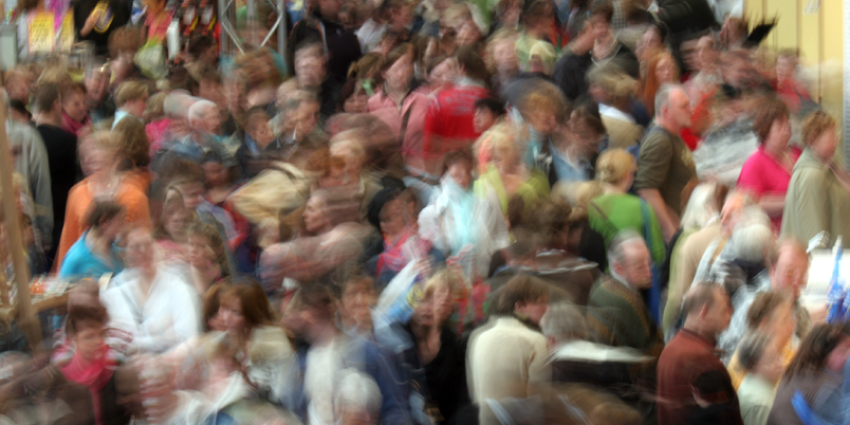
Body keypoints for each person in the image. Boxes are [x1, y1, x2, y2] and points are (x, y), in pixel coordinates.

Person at [55, 132, 151, 270]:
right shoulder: (77, 193)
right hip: (86, 275)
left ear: (114, 157)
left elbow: (145, 239)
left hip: (124, 271)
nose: (90, 159)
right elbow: (68, 241)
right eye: (87, 156)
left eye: (98, 152)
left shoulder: (136, 196)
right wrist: (62, 282)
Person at [467, 274, 551, 425]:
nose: (548, 309)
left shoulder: (479, 337)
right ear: (519, 307)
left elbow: (476, 396)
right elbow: (540, 404)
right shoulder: (536, 341)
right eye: (541, 303)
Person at [101, 227, 200, 354]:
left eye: (148, 245)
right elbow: (113, 340)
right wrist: (164, 337)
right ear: (124, 254)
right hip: (126, 367)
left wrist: (136, 343)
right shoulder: (113, 292)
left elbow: (187, 334)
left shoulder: (176, 286)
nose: (143, 251)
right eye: (136, 247)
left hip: (168, 363)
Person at [656, 282, 742, 425]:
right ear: (704, 313)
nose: (731, 312)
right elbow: (722, 419)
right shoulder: (703, 361)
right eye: (725, 308)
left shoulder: (671, 347)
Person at [718, 240, 812, 370]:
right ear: (772, 269)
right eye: (790, 273)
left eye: (803, 274)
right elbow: (732, 360)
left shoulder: (794, 304)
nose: (797, 281)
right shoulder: (753, 307)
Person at [418, 150, 510, 279]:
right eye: (456, 175)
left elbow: (500, 230)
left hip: (485, 268)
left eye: (467, 173)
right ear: (446, 175)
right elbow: (430, 237)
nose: (463, 180)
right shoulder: (439, 202)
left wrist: (504, 257)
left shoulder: (486, 193)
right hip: (452, 274)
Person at [404, 269, 471, 424]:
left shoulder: (452, 344)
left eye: (450, 295)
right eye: (439, 293)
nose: (445, 299)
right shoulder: (401, 339)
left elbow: (458, 400)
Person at [635, 84, 697, 242]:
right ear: (666, 111)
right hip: (672, 234)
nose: (691, 109)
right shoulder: (660, 140)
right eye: (684, 106)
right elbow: (647, 189)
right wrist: (670, 230)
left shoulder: (672, 134)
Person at [586, 231, 664, 355]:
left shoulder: (601, 283)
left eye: (649, 263)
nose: (649, 272)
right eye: (639, 267)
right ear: (618, 268)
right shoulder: (628, 302)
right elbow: (651, 352)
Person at [781, 110, 850, 245]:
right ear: (813, 139)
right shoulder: (811, 176)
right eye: (831, 138)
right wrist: (822, 263)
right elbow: (814, 232)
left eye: (836, 137)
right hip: (824, 261)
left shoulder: (828, 165)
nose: (835, 143)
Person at [218, 281, 294, 401]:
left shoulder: (273, 346)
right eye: (225, 310)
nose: (226, 318)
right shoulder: (234, 338)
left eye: (236, 313)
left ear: (251, 314)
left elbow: (282, 396)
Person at [588, 149, 666, 267]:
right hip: (634, 277)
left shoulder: (589, 206)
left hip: (600, 277)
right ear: (626, 176)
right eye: (633, 173)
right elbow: (657, 252)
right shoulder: (641, 206)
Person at [423, 46, 491, 173]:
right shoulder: (491, 99)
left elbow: (429, 144)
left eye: (451, 67)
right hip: (483, 170)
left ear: (462, 68)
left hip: (449, 171)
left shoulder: (438, 101)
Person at [766, 324, 850, 425]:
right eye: (842, 351)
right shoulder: (826, 386)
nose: (847, 357)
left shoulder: (796, 372)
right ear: (824, 353)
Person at [55, 307, 127, 425]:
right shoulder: (64, 379)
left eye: (101, 335)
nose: (99, 341)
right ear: (73, 339)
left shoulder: (115, 368)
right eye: (89, 337)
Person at [737, 99, 798, 231]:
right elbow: (751, 205)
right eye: (780, 127)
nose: (786, 131)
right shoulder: (754, 164)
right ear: (766, 130)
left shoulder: (796, 154)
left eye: (788, 126)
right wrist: (792, 201)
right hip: (774, 234)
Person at [367, 43, 430, 171]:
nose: (401, 73)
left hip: (420, 167)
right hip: (389, 168)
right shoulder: (373, 103)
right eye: (396, 69)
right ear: (385, 73)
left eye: (405, 67)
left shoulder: (423, 99)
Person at [34, 83, 78, 258]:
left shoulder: (29, 138)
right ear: (55, 105)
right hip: (61, 213)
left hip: (36, 213)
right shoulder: (68, 141)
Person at [725, 292, 797, 390]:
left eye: (791, 318)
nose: (791, 326)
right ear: (764, 324)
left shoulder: (787, 348)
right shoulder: (746, 365)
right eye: (785, 321)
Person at [288, 0, 363, 85]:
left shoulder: (344, 28)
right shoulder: (308, 27)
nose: (340, 2)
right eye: (336, 0)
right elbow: (292, 61)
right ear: (322, 2)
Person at [59, 201, 125, 279]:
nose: (123, 228)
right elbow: (62, 288)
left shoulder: (119, 251)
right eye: (120, 222)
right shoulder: (75, 258)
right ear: (104, 222)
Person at [736, 332, 783, 425]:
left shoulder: (751, 381)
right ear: (753, 365)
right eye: (771, 359)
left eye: (778, 356)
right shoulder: (761, 404)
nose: (779, 364)